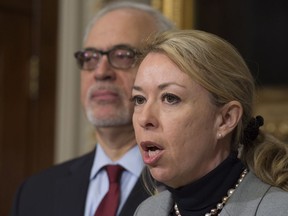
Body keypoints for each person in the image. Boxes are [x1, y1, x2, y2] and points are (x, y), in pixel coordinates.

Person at [10, 2, 174, 216]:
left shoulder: (186, 189)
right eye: (90, 57)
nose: (101, 71)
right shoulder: (35, 193)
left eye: (123, 55)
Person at [131, 29, 288, 216]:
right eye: (139, 99)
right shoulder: (147, 211)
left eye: (170, 98)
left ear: (226, 119)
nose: (144, 118)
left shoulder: (277, 210)